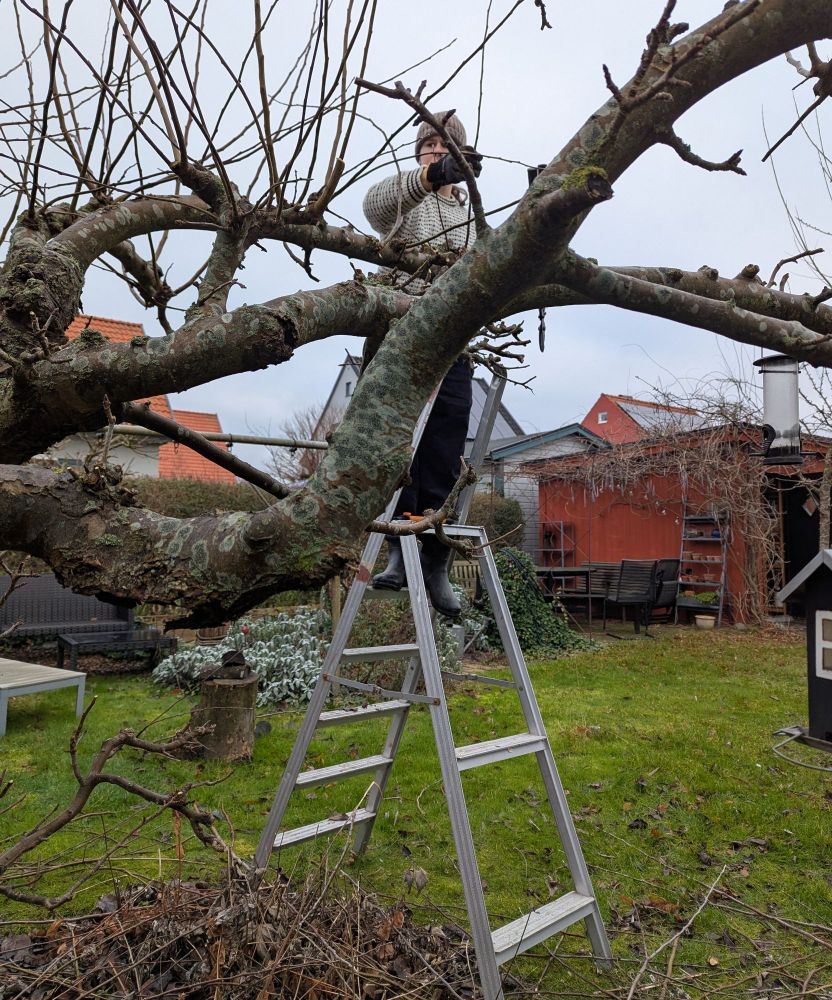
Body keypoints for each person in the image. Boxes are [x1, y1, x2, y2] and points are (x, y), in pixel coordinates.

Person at [362, 112, 483, 617]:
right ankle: (396, 548)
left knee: (443, 449)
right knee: (400, 448)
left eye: (444, 145)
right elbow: (374, 203)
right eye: (428, 144)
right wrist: (430, 178)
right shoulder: (404, 202)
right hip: (402, 340)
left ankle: (434, 560)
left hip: (453, 346)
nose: (434, 150)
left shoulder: (473, 216)